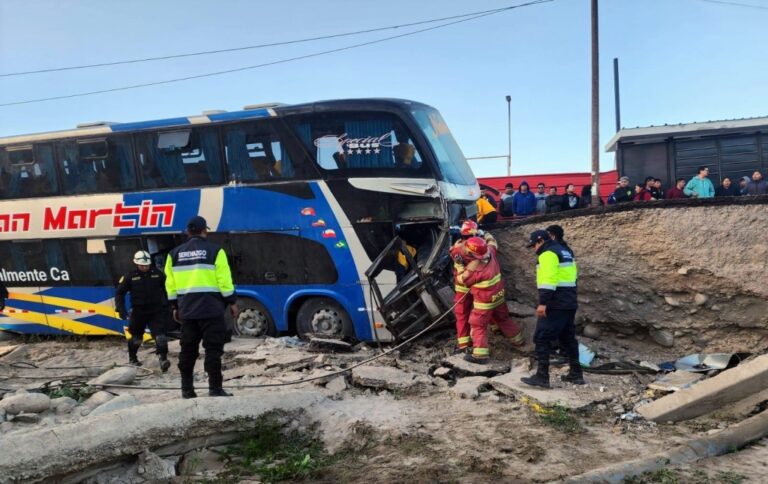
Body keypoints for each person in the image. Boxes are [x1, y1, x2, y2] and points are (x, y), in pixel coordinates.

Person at [165, 216, 239, 398]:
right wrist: (231, 301)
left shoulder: (173, 254)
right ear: (205, 230)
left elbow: (170, 285)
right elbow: (224, 280)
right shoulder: (216, 251)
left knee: (188, 350)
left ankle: (187, 391)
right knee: (213, 350)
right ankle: (215, 389)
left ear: (187, 232)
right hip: (211, 309)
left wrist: (175, 307)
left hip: (187, 312)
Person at [521, 230, 582, 389]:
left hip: (555, 304)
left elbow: (548, 281)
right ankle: (576, 374)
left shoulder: (547, 254)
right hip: (569, 302)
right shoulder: (565, 251)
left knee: (542, 337)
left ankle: (542, 377)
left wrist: (543, 303)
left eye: (534, 244)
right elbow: (573, 278)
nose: (534, 248)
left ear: (540, 241)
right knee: (567, 338)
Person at [456, 236, 523, 364]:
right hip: (498, 296)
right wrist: (485, 234)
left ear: (472, 253)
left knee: (478, 325)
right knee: (503, 318)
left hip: (484, 302)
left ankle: (480, 355)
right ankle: (518, 340)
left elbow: (462, 281)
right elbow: (492, 241)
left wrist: (459, 266)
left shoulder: (475, 270)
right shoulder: (490, 252)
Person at [115, 251, 172, 371]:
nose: (145, 267)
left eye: (146, 265)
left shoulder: (158, 274)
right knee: (136, 339)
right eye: (142, 265)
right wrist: (121, 310)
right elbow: (119, 293)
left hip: (156, 310)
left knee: (160, 337)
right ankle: (133, 358)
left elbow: (167, 290)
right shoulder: (129, 276)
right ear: (136, 264)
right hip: (138, 311)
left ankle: (163, 359)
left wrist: (168, 305)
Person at [450, 220, 480, 353]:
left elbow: (452, 254)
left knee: (462, 315)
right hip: (480, 286)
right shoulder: (481, 247)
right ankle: (494, 333)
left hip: (462, 287)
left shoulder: (456, 249)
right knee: (483, 312)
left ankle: (463, 345)